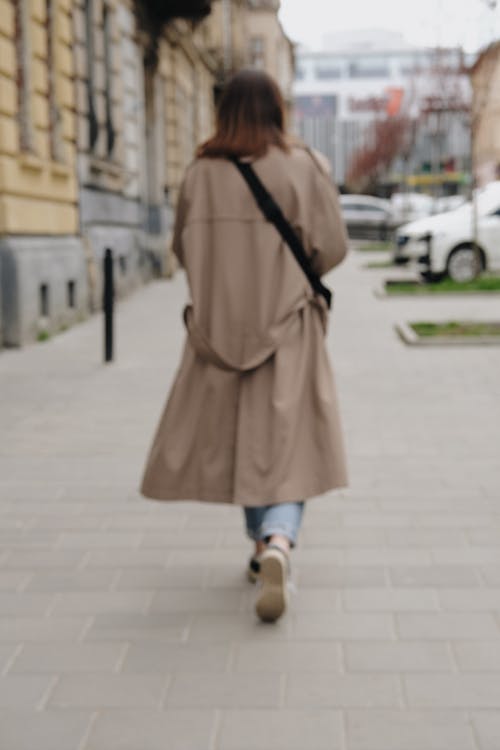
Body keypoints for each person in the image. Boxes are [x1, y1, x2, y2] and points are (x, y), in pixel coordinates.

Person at [141, 69, 349, 622]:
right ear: (277, 109)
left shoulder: (199, 172)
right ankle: (278, 541)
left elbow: (183, 250)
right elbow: (332, 247)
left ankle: (261, 546)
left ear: (224, 111)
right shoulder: (303, 166)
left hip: (219, 334)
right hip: (287, 327)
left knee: (245, 440)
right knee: (286, 442)